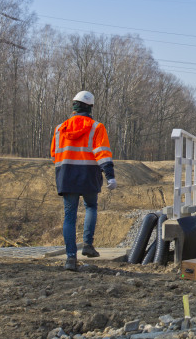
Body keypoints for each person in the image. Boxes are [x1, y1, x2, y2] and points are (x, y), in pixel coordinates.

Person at [51, 91, 116, 271]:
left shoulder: (59, 128)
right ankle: (87, 244)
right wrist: (110, 175)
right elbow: (102, 153)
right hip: (88, 175)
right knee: (91, 207)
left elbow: (54, 155)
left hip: (66, 176)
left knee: (69, 216)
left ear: (74, 106)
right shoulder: (96, 127)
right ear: (90, 107)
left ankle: (70, 258)